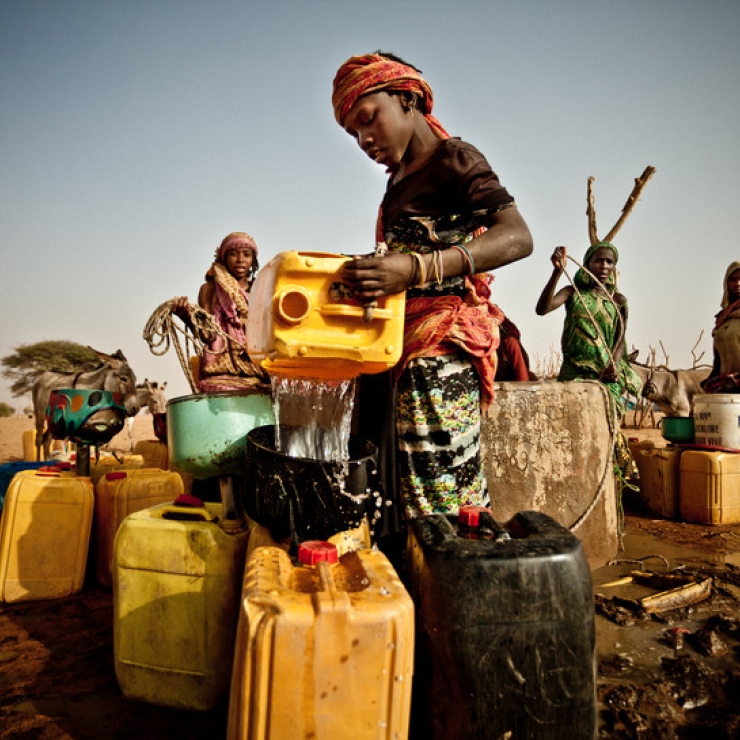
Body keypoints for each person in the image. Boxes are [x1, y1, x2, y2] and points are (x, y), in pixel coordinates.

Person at [332, 51, 533, 523]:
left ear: (406, 98)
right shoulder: (397, 181)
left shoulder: (453, 159)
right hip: (399, 343)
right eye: (353, 134)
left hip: (441, 347)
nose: (363, 139)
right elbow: (401, 259)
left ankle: (460, 582)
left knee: (442, 493)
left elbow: (518, 236)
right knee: (401, 486)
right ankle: (423, 584)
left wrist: (415, 270)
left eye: (367, 119)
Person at [536, 243, 642, 412]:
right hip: (573, 371)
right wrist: (557, 272)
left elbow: (620, 339)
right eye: (599, 261)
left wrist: (613, 365)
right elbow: (542, 309)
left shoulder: (618, 301)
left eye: (609, 262)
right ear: (587, 264)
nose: (604, 266)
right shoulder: (572, 292)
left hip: (604, 374)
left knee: (608, 421)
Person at [173, 231, 269, 394]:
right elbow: (207, 335)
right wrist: (186, 316)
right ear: (224, 258)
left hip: (256, 371)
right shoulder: (209, 290)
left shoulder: (261, 291)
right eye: (233, 254)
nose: (240, 260)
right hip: (220, 373)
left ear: (253, 260)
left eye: (246, 255)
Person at [701, 260, 740, 393]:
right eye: (733, 280)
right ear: (726, 283)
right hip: (728, 384)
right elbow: (718, 358)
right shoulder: (723, 319)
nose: (737, 284)